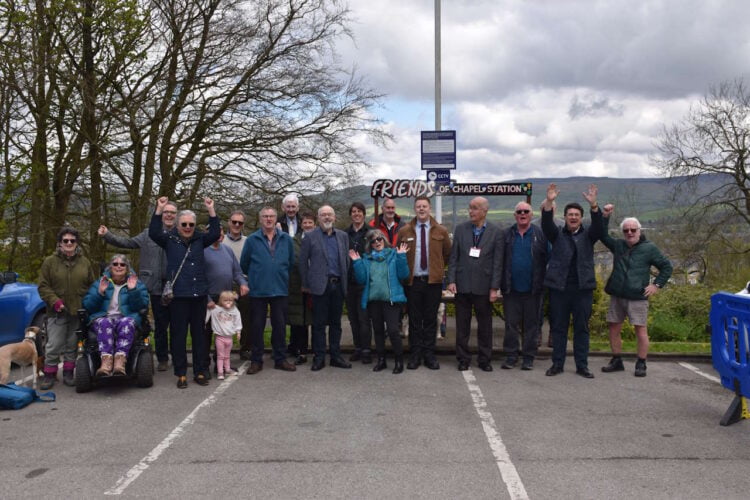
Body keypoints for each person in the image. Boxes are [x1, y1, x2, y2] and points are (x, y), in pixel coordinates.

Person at [149, 196, 220, 389]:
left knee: (199, 335)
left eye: (191, 224)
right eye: (184, 224)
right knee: (178, 336)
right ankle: (180, 373)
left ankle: (199, 370)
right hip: (178, 296)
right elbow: (153, 232)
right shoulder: (169, 240)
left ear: (195, 225)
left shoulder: (199, 239)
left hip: (198, 295)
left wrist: (211, 210)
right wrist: (159, 209)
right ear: (178, 225)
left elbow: (215, 233)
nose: (187, 227)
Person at [98, 201, 177, 372]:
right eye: (166, 212)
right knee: (161, 325)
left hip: (175, 286)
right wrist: (107, 235)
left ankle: (178, 358)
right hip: (154, 286)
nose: (169, 215)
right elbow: (126, 243)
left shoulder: (180, 234)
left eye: (172, 212)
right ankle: (162, 358)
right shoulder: (148, 234)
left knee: (177, 325)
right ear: (161, 215)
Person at [599, 205, 673, 377]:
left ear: (639, 230)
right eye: (626, 230)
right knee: (614, 328)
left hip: (638, 297)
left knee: (640, 331)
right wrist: (605, 216)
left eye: (633, 230)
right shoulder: (618, 246)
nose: (630, 233)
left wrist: (657, 285)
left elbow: (666, 267)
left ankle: (641, 363)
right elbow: (602, 235)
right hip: (617, 295)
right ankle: (616, 360)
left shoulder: (649, 248)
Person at [541, 183, 603, 379]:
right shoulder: (556, 235)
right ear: (565, 217)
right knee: (558, 328)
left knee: (581, 329)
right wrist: (549, 202)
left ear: (581, 217)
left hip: (582, 289)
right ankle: (557, 364)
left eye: (577, 215)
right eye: (570, 215)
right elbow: (546, 224)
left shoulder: (589, 236)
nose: (573, 217)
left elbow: (600, 227)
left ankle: (582, 365)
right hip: (559, 289)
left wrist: (594, 206)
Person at [446, 197, 502, 371]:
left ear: (485, 211)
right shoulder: (461, 229)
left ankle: (485, 359)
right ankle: (463, 358)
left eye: (475, 208)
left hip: (484, 287)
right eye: (470, 208)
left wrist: (494, 287)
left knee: (485, 326)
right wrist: (451, 280)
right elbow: (454, 257)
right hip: (462, 286)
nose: (471, 211)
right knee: (462, 325)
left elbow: (498, 262)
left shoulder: (496, 232)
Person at [38, 227, 98, 389]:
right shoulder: (50, 262)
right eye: (66, 240)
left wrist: (90, 303)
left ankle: (68, 373)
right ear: (60, 243)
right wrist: (54, 301)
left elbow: (92, 285)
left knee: (73, 344)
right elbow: (43, 286)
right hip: (56, 311)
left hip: (78, 311)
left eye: (72, 240)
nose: (69, 243)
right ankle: (49, 374)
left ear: (76, 243)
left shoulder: (84, 262)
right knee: (54, 344)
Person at [397, 196, 451, 370]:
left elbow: (447, 254)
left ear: (430, 209)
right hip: (413, 283)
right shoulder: (404, 231)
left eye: (424, 206)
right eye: (418, 206)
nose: (421, 209)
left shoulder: (441, 231)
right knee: (414, 319)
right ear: (415, 209)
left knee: (430, 320)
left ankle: (429, 354)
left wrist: (437, 269)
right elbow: (399, 254)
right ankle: (415, 355)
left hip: (433, 282)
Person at [240, 207, 296, 374]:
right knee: (257, 326)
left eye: (271, 216)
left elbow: (290, 262)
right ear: (260, 219)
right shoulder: (252, 240)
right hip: (258, 290)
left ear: (275, 218)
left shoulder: (286, 239)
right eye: (265, 216)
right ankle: (256, 360)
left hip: (280, 289)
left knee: (280, 326)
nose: (269, 219)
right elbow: (244, 264)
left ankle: (280, 358)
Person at [299, 205, 352, 371]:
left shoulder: (343, 236)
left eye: (330, 215)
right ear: (318, 218)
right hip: (319, 286)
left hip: (338, 285)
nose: (327, 217)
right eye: (323, 215)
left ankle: (336, 355)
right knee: (318, 324)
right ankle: (319, 357)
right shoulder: (310, 237)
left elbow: (346, 260)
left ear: (334, 217)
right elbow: (302, 263)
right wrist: (307, 284)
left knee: (336, 323)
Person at [350, 231, 410, 374]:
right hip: (374, 301)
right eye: (373, 241)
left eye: (379, 239)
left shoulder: (394, 255)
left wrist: (402, 256)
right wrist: (357, 263)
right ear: (370, 245)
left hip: (391, 300)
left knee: (393, 331)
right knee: (378, 332)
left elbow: (404, 275)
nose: (377, 242)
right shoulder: (366, 259)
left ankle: (398, 361)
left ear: (384, 240)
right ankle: (381, 360)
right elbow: (361, 279)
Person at [498, 201, 548, 371]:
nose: (522, 214)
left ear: (531, 214)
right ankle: (511, 356)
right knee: (511, 325)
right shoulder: (506, 234)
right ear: (515, 215)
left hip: (534, 289)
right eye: (519, 211)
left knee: (531, 326)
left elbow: (549, 259)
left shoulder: (540, 234)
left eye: (526, 211)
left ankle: (528, 357)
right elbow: (499, 261)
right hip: (511, 289)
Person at [82, 254, 150, 376]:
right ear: (110, 267)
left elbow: (142, 307)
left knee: (126, 322)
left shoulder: (136, 283)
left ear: (127, 268)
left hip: (125, 318)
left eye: (122, 264)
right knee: (105, 322)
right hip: (103, 318)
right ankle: (106, 363)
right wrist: (100, 293)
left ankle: (120, 361)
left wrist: (133, 290)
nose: (119, 266)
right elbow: (88, 306)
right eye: (115, 264)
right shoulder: (100, 282)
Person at [203, 225, 249, 376]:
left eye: (220, 232)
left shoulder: (227, 250)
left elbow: (237, 271)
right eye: (214, 232)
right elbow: (198, 278)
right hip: (209, 300)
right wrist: (207, 298)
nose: (218, 234)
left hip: (225, 301)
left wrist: (242, 283)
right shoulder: (201, 251)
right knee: (205, 334)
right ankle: (204, 367)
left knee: (223, 334)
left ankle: (220, 366)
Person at [222, 210, 253, 362]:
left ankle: (245, 348)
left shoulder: (248, 241)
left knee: (246, 318)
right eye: (234, 221)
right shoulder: (221, 241)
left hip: (244, 284)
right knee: (223, 319)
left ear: (243, 225)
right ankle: (222, 350)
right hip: (225, 285)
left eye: (239, 223)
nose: (236, 225)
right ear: (229, 222)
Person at [287, 212, 316, 364]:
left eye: (310, 222)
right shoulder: (294, 241)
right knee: (300, 320)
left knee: (316, 319)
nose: (307, 225)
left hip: (316, 286)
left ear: (314, 224)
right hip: (298, 286)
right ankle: (301, 351)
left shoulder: (319, 239)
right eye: (305, 223)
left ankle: (318, 350)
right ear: (301, 225)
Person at [346, 202, 372, 364]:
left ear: (364, 214)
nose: (356, 214)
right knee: (353, 318)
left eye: (359, 211)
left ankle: (366, 349)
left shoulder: (370, 233)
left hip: (364, 282)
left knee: (364, 318)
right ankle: (357, 348)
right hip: (349, 281)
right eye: (353, 211)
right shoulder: (344, 234)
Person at [206, 290, 243, 380]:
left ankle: (227, 369)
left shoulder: (235, 310)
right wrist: (205, 322)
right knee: (220, 356)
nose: (228, 302)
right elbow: (208, 311)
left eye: (230, 300)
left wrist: (238, 332)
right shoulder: (216, 309)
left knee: (227, 356)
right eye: (225, 300)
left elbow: (238, 320)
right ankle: (220, 372)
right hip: (219, 338)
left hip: (229, 338)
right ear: (221, 301)